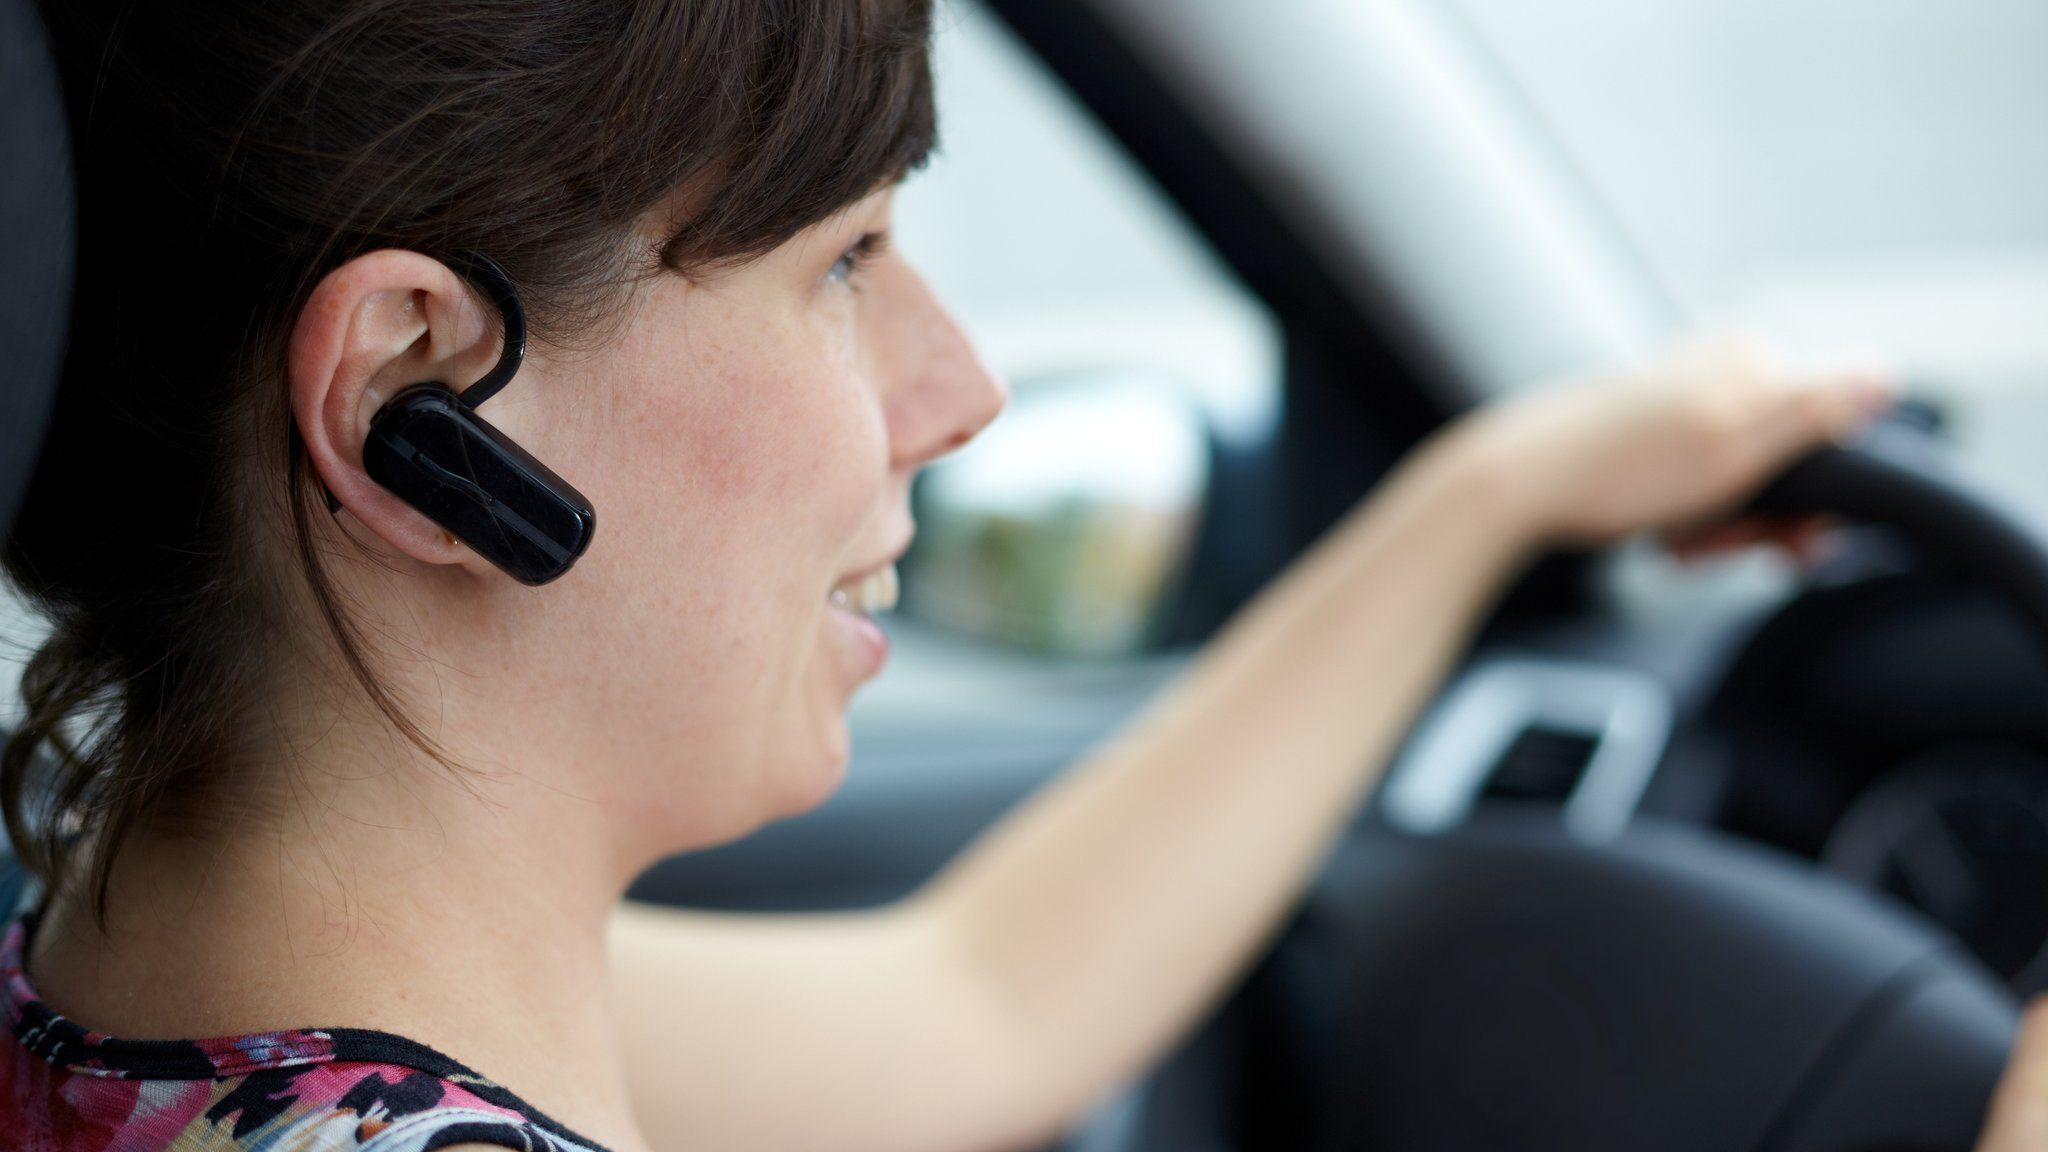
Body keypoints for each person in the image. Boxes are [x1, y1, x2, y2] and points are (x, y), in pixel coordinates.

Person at [1, 2, 2042, 1150]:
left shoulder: (164, 1005)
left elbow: (969, 1005)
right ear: (417, 403)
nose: (956, 389)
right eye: (843, 267)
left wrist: (1488, 494)